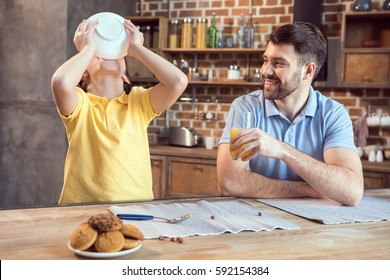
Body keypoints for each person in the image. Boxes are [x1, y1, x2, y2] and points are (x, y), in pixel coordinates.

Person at [217, 22, 363, 206]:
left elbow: (352, 192)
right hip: (255, 220)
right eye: (265, 60)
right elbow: (229, 183)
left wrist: (282, 150)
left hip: (313, 225)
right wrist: (309, 190)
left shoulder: (333, 114)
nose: (265, 71)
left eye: (278, 63)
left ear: (307, 70)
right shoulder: (245, 108)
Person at [51, 18, 188, 204]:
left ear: (125, 78)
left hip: (136, 207)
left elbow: (178, 81)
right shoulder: (80, 104)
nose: (107, 53)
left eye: (117, 54)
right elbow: (61, 82)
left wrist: (137, 49)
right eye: (100, 51)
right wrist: (88, 48)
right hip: (79, 207)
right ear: (83, 73)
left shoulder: (139, 102)